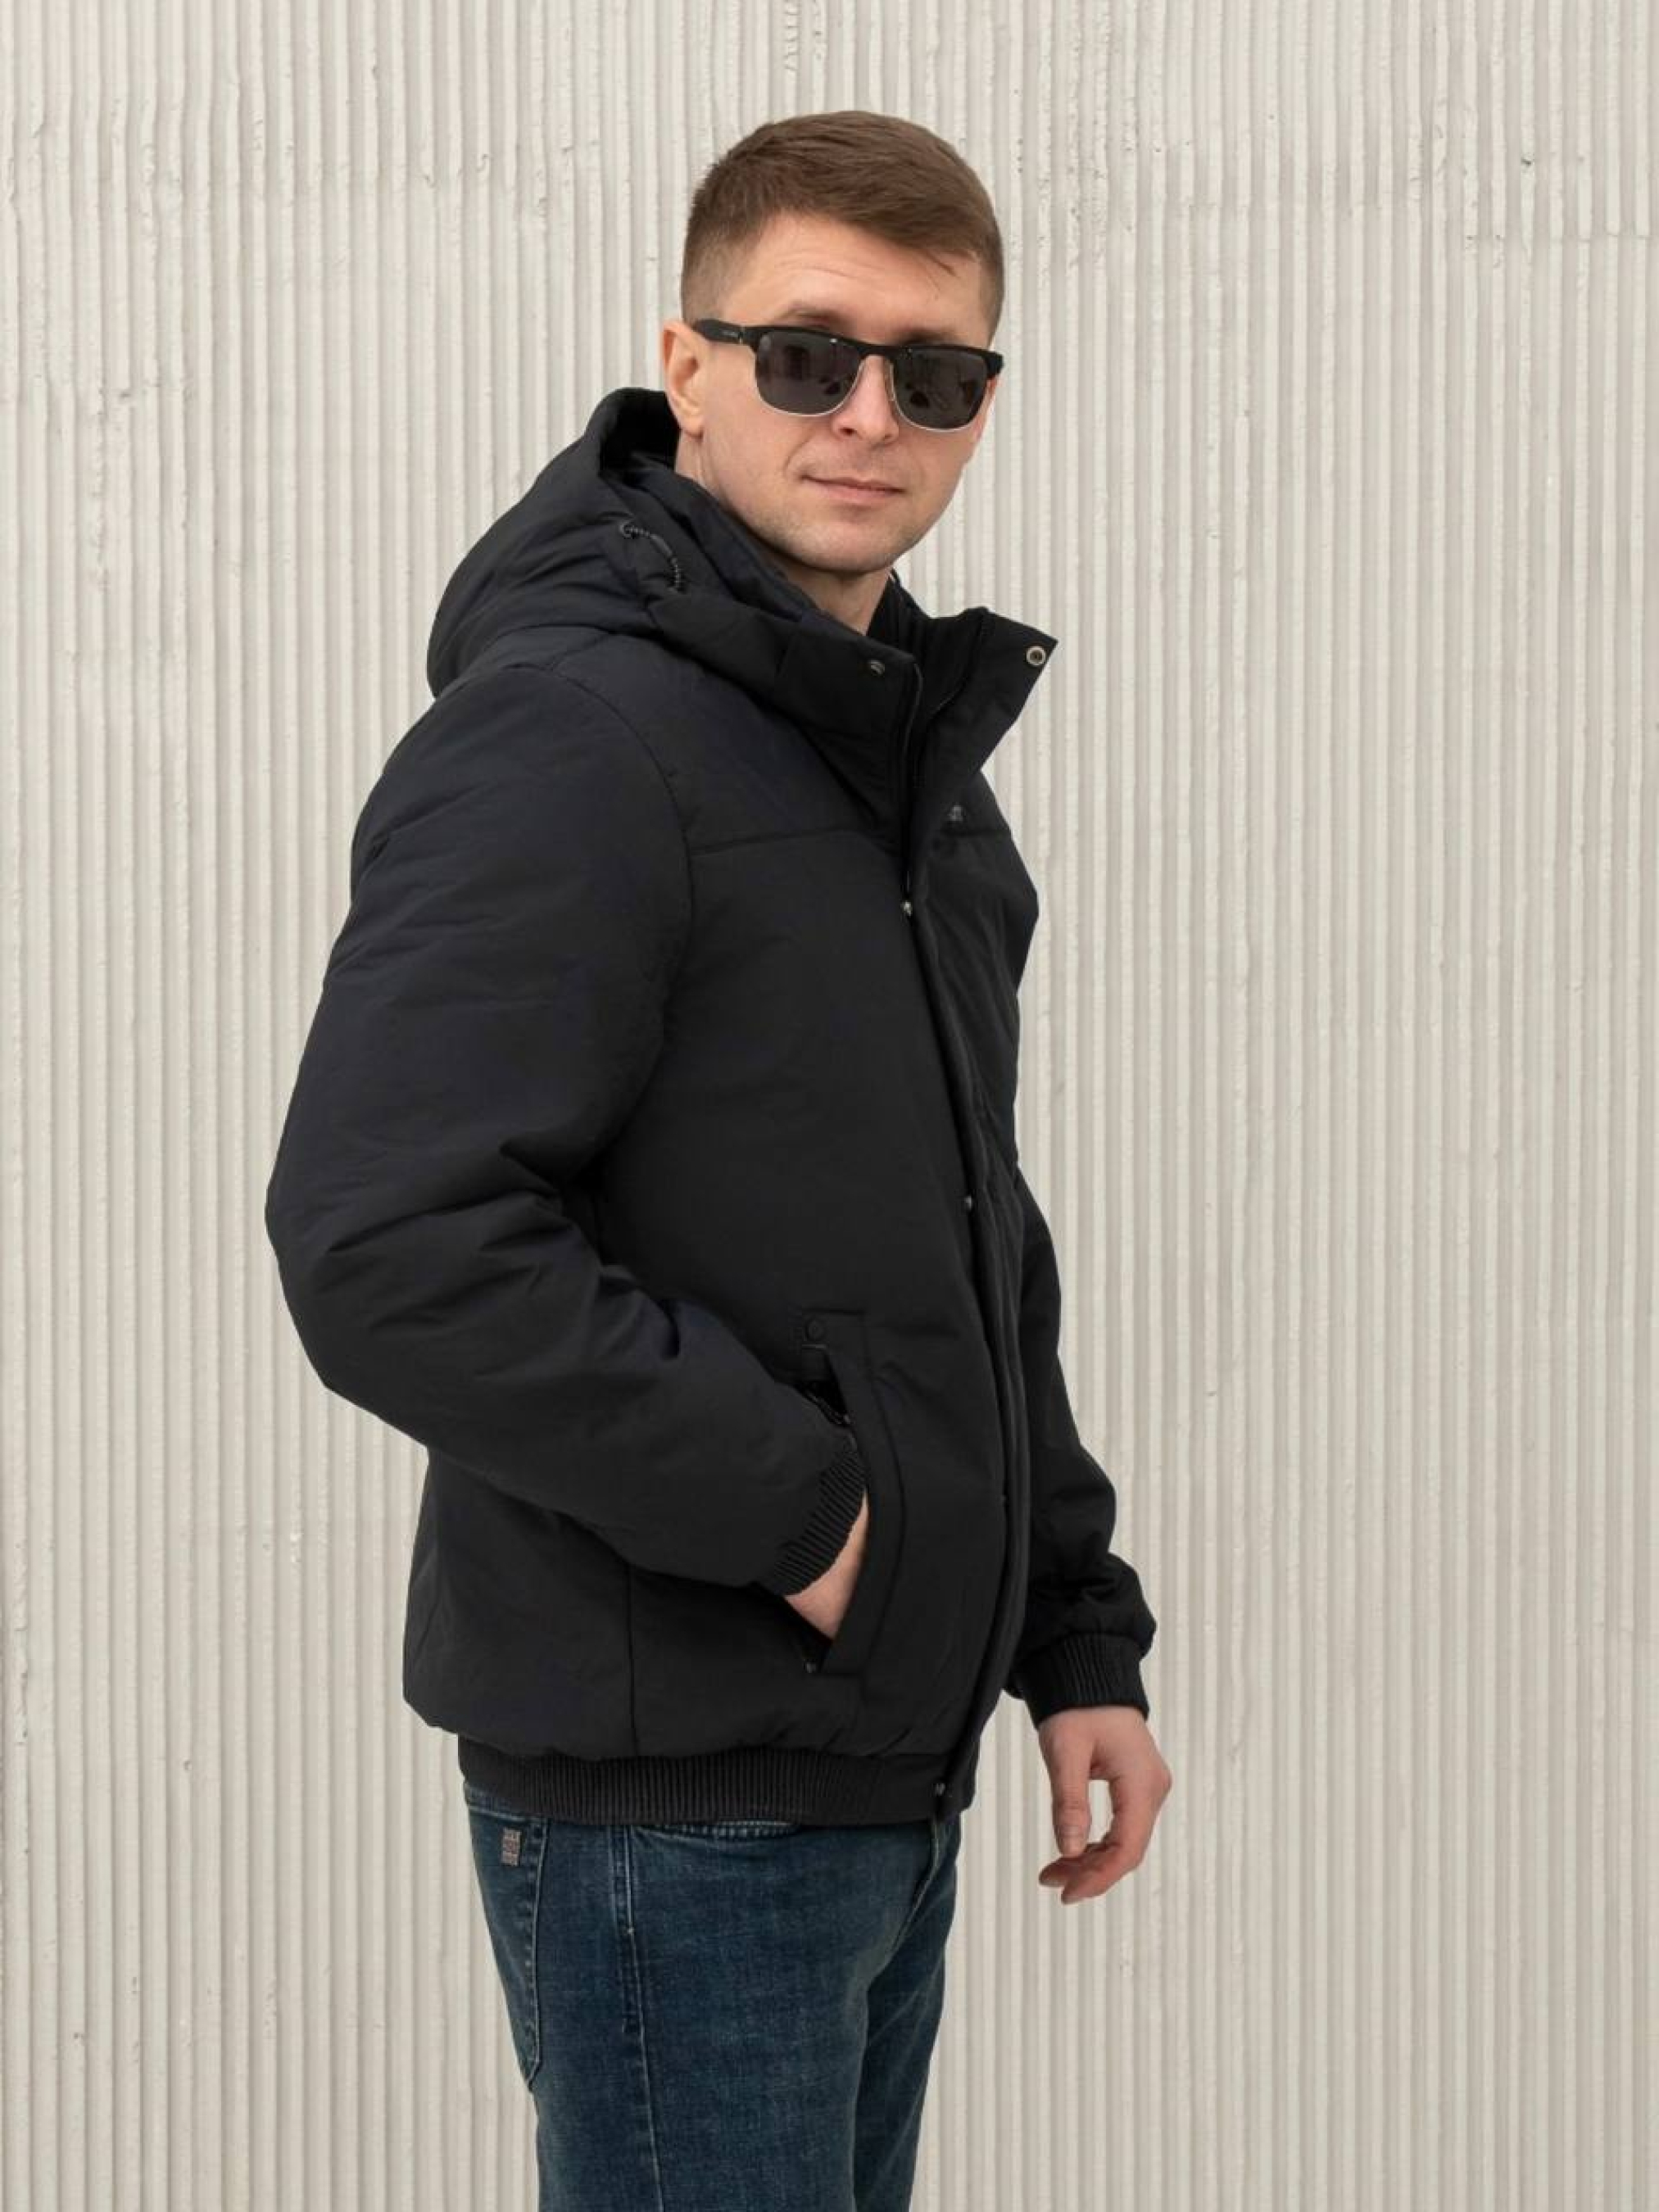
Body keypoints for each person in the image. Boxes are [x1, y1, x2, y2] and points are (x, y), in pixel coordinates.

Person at [265, 107, 1171, 2212]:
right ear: (685, 368)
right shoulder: (573, 735)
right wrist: (817, 1520)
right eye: (805, 355)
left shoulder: (897, 766)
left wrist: (1071, 1635)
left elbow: (966, 1243)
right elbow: (388, 1241)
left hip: (870, 1771)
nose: (867, 417)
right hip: (674, 1803)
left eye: (931, 374)